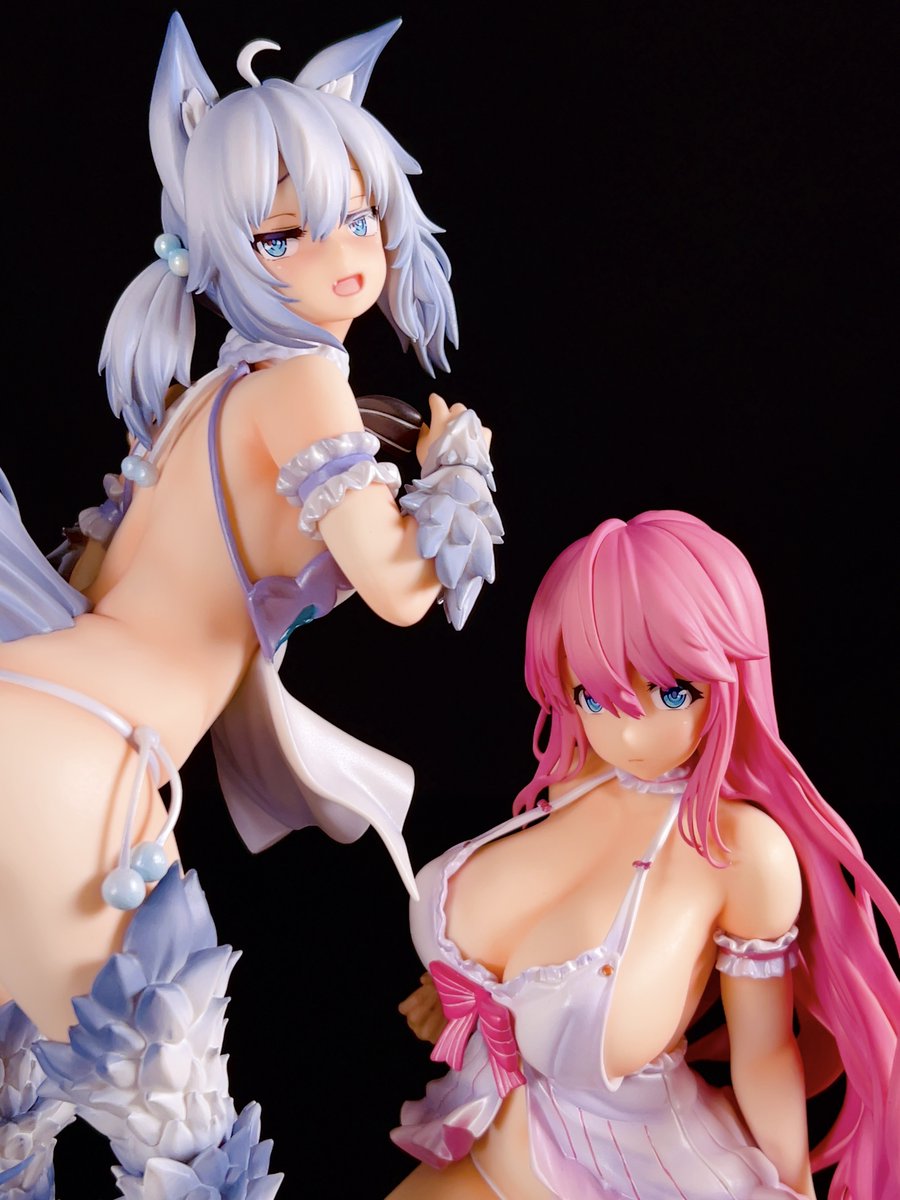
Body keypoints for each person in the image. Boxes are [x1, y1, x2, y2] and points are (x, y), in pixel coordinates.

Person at [0, 13, 501, 1198]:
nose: (342, 254)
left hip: (42, 701)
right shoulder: (300, 380)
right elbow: (401, 590)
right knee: (176, 1140)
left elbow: (99, 575)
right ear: (219, 248)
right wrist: (463, 474)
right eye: (284, 233)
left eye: (358, 217)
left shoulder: (205, 397)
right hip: (83, 752)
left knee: (17, 1100)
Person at [390, 511, 898, 1200]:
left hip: (632, 1173)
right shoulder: (577, 783)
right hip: (486, 1136)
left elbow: (765, 1055)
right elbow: (522, 946)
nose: (628, 733)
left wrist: (797, 1184)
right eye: (593, 695)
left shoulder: (741, 854)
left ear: (728, 683)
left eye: (670, 693)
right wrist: (455, 991)